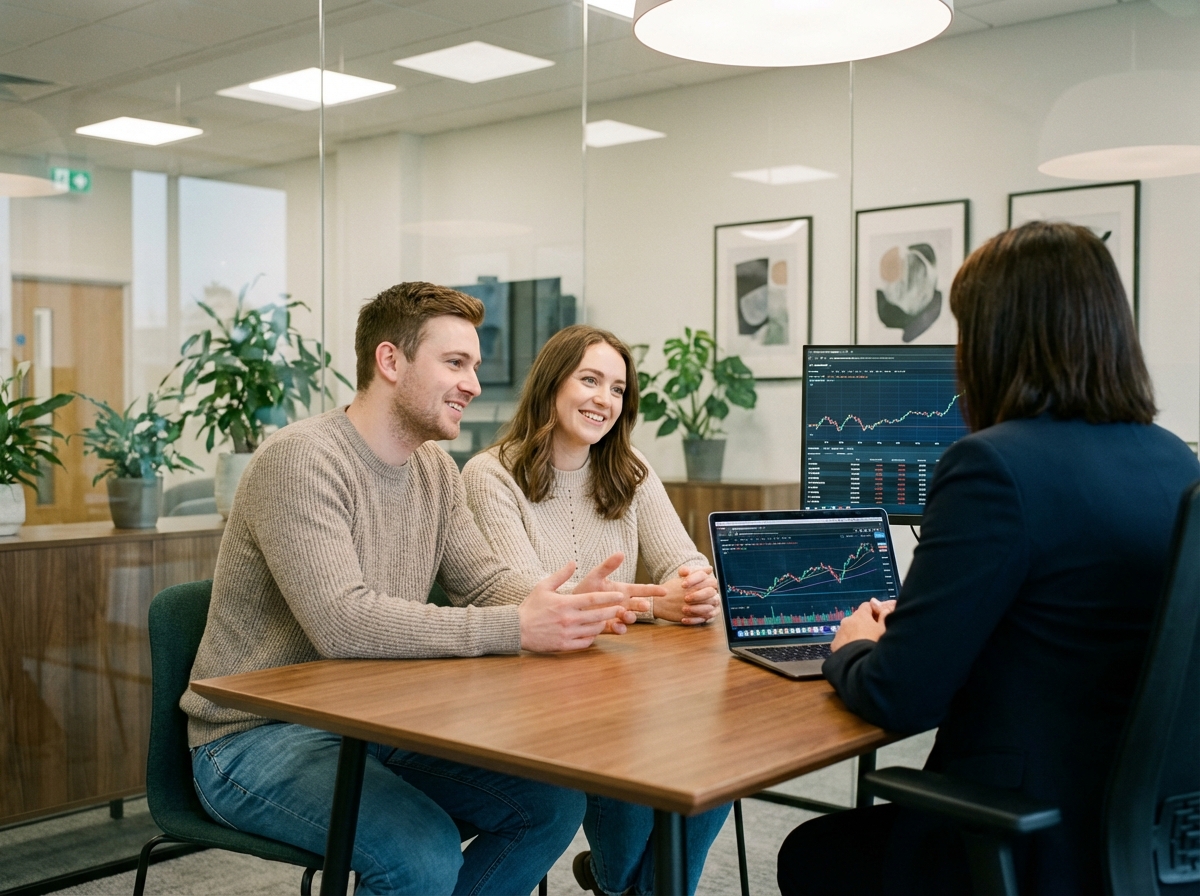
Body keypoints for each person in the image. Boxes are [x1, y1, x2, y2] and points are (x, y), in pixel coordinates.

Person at [182, 283, 665, 896]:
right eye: (455, 363)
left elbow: (483, 581)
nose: (473, 384)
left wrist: (565, 607)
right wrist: (519, 626)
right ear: (390, 362)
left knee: (551, 806)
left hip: (375, 725)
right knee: (423, 853)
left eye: (475, 367)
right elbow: (343, 621)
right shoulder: (299, 461)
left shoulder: (434, 469)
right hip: (256, 737)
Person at [776, 221, 1200, 896]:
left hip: (1022, 845)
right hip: (1135, 845)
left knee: (815, 851)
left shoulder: (994, 467)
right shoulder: (1174, 459)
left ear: (998, 340)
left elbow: (898, 696)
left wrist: (852, 646)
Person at [462, 324, 730, 896]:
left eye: (616, 389)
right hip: (532, 696)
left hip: (621, 685)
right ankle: (622, 884)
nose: (603, 400)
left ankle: (623, 885)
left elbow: (680, 563)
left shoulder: (629, 467)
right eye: (589, 380)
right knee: (638, 768)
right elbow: (535, 601)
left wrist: (695, 585)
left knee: (719, 758)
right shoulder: (491, 475)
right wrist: (659, 606)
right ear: (551, 384)